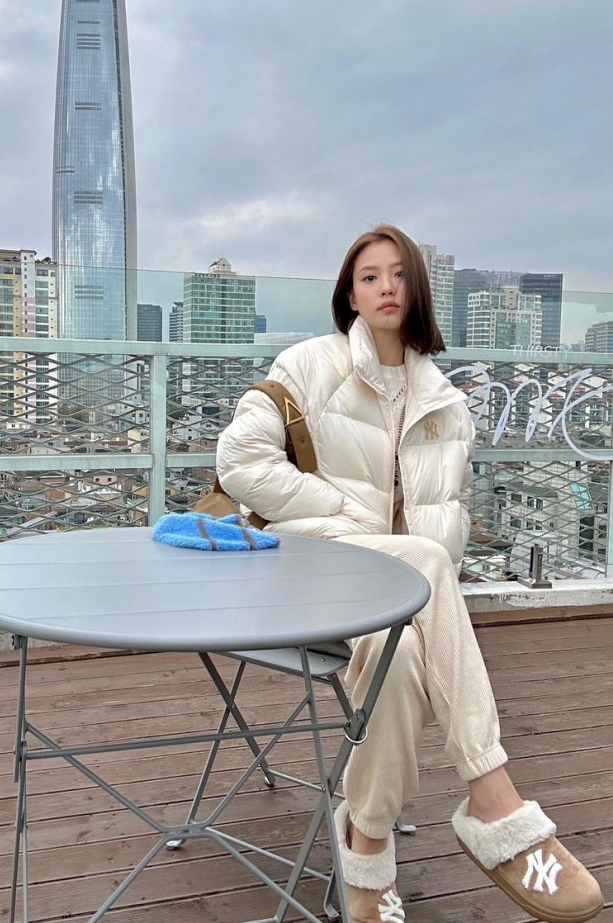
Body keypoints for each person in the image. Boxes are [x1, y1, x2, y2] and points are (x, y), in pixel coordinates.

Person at [215, 225, 603, 923]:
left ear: (417, 289)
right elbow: (240, 463)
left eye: (398, 274)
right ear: (349, 295)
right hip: (311, 565)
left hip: (395, 593)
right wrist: (340, 510)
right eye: (369, 276)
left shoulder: (446, 404)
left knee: (395, 661)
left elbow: (449, 517)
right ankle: (493, 798)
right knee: (421, 560)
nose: (385, 287)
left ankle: (365, 846)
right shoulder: (307, 364)